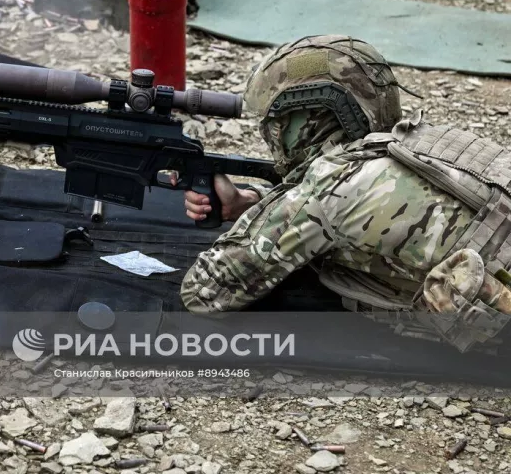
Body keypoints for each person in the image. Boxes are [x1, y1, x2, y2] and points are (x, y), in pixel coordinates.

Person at [177, 35, 511, 352]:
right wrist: (250, 202)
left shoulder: (332, 186)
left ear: (308, 118)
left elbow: (205, 293)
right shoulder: (409, 146)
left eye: (278, 124)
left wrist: (254, 221)